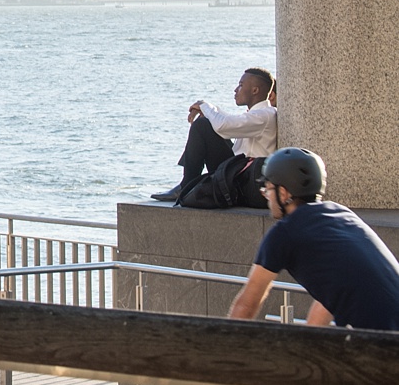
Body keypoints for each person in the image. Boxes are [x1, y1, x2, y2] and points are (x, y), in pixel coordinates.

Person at [228, 148, 399, 329]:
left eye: (267, 188)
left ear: (284, 193)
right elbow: (329, 295)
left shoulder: (286, 232)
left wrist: (220, 353)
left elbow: (246, 306)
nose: (266, 196)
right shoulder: (341, 214)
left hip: (381, 342)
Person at [151, 67, 277, 203]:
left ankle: (186, 185)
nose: (235, 90)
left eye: (241, 85)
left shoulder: (265, 115)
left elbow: (224, 125)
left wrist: (204, 106)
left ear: (255, 90)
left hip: (246, 180)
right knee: (205, 123)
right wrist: (206, 109)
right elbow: (226, 122)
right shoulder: (257, 114)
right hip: (240, 171)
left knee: (202, 125)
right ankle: (187, 184)